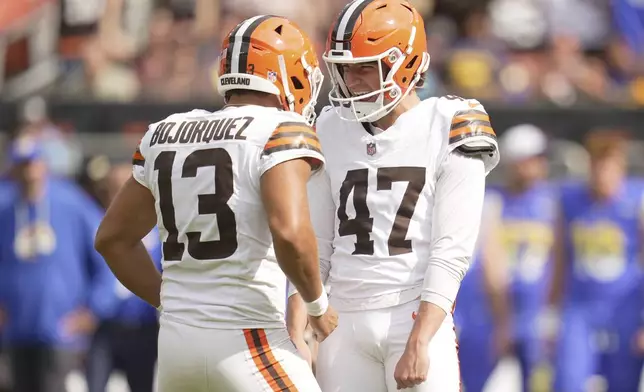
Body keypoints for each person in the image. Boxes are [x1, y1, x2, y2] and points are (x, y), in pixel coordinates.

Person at [94, 15, 337, 392]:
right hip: (248, 338)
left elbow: (112, 239)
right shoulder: (277, 130)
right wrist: (318, 308)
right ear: (287, 75)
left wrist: (174, 301)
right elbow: (289, 233)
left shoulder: (167, 132)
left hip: (176, 346)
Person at [304, 1, 500, 391]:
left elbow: (452, 249)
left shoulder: (450, 122)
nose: (351, 81)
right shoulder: (328, 126)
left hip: (413, 310)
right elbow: (317, 246)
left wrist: (422, 336)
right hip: (342, 318)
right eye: (344, 68)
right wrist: (302, 325)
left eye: (364, 67)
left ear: (406, 63)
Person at [0, 135, 118, 392]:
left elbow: (108, 254)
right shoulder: (4, 206)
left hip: (60, 331)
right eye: (21, 165)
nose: (28, 173)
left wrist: (94, 310)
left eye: (32, 164)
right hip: (13, 331)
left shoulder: (71, 203)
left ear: (43, 165)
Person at [455, 124, 557, 392]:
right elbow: (489, 261)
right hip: (489, 308)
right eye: (527, 159)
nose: (534, 166)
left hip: (537, 310)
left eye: (538, 158)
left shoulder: (555, 201)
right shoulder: (489, 200)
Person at [548, 129, 644, 392]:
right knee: (568, 380)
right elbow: (559, 259)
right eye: (597, 164)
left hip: (625, 307)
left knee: (623, 383)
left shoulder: (637, 200)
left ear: (621, 167)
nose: (603, 173)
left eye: (609, 165)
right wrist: (550, 314)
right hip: (580, 308)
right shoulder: (569, 200)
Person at [86, 164, 163, 392]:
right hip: (104, 325)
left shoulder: (161, 230)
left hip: (144, 325)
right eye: (113, 189)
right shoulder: (94, 224)